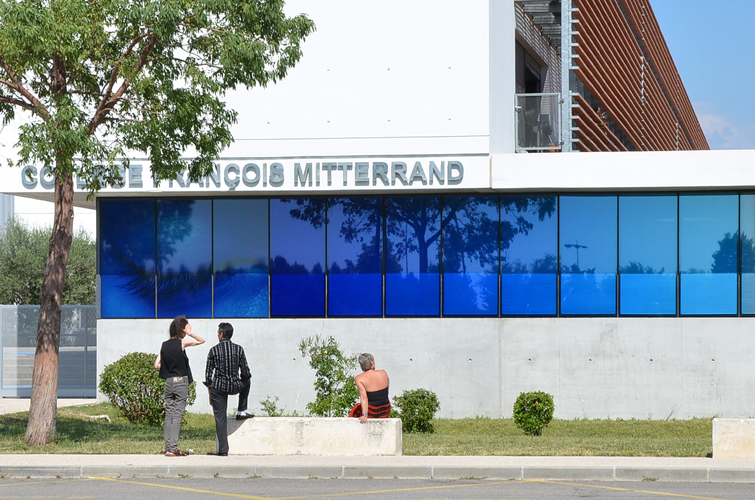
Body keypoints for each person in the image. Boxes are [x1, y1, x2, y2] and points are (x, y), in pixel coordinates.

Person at [155, 315, 205, 457]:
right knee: (177, 415)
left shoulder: (164, 345)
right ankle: (173, 448)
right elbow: (202, 341)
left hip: (169, 382)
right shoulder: (182, 344)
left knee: (169, 414)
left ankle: (167, 448)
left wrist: (168, 366)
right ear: (182, 329)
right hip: (180, 382)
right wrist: (190, 334)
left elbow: (156, 364)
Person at [204, 322, 253, 456]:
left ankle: (223, 451)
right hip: (235, 386)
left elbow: (208, 375)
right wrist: (240, 380)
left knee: (220, 419)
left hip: (218, 388)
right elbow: (246, 372)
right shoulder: (239, 349)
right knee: (247, 381)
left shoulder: (213, 350)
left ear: (221, 334)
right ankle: (241, 410)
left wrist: (210, 392)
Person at [350, 353, 390, 423]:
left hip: (372, 411)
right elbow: (387, 392)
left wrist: (365, 415)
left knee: (356, 409)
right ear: (371, 362)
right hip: (385, 409)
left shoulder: (359, 378)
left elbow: (364, 397)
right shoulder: (383, 373)